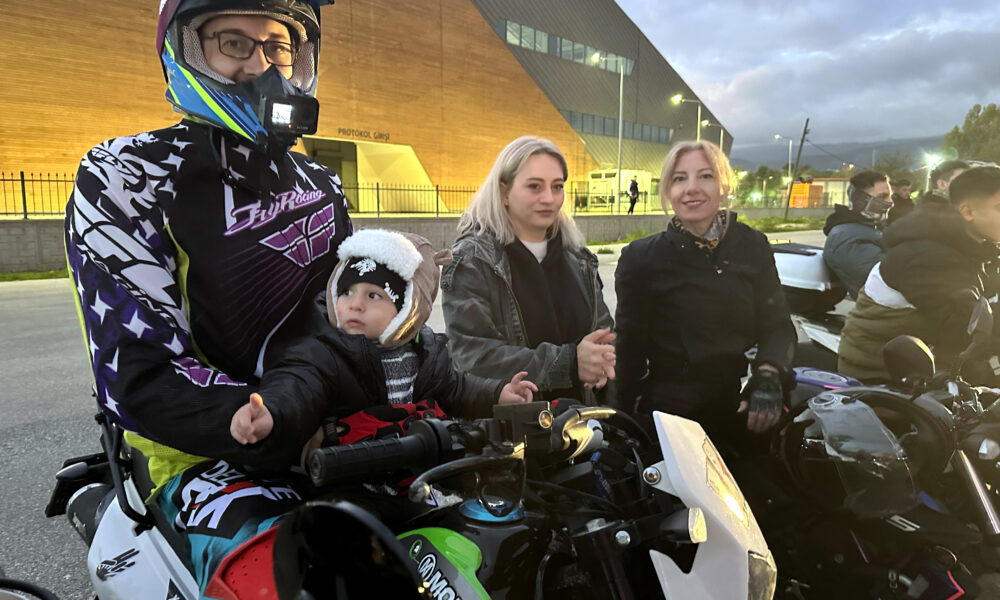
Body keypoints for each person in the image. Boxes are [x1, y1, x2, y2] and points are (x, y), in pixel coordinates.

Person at [64, 0, 351, 594]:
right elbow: (143, 371)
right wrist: (275, 421)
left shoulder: (321, 182)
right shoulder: (126, 174)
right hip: (196, 451)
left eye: (278, 46)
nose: (262, 66)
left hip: (323, 422)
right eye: (235, 43)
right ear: (188, 51)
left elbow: (351, 319)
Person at [230, 229, 536, 449]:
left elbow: (458, 389)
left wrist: (499, 393)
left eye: (374, 295)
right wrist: (271, 413)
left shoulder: (427, 352)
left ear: (408, 309)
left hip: (418, 470)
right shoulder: (324, 353)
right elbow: (297, 387)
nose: (355, 305)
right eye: (346, 292)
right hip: (350, 478)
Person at [614, 140, 796, 444]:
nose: (691, 188)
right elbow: (628, 348)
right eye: (679, 178)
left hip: (739, 404)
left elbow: (777, 326)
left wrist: (768, 375)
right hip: (670, 414)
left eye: (706, 176)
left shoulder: (753, 245)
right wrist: (621, 423)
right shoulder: (641, 257)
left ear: (724, 186)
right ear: (668, 191)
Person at [441, 136, 617, 406]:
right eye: (535, 186)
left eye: (557, 187)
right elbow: (472, 357)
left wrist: (602, 361)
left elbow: (605, 336)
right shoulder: (473, 260)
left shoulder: (579, 259)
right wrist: (568, 363)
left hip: (581, 421)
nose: (549, 198)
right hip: (510, 426)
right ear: (504, 192)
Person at [838, 167, 1000, 383]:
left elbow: (985, 295)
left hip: (930, 359)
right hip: (882, 373)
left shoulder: (968, 244)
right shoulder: (927, 256)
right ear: (968, 212)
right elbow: (964, 329)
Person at [822, 170, 892, 298]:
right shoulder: (845, 237)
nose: (890, 202)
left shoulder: (873, 228)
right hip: (883, 307)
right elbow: (888, 277)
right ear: (861, 200)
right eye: (882, 197)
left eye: (889, 196)